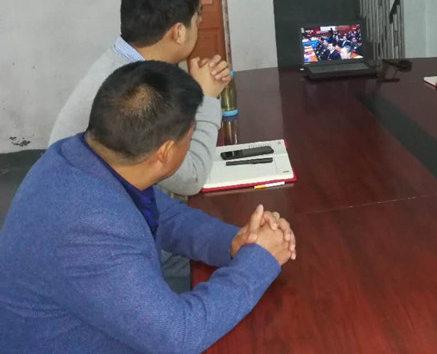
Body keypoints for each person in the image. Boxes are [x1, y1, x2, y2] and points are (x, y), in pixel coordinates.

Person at [0, 61, 297, 352]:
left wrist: (233, 242)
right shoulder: (86, 228)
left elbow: (166, 215)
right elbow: (179, 336)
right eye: (191, 134)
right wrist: (258, 262)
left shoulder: (83, 155)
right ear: (165, 152)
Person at [49, 0, 230, 196]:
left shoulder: (121, 63)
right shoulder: (136, 92)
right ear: (178, 32)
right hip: (85, 204)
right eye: (197, 17)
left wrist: (192, 90)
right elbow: (191, 179)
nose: (201, 22)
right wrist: (207, 98)